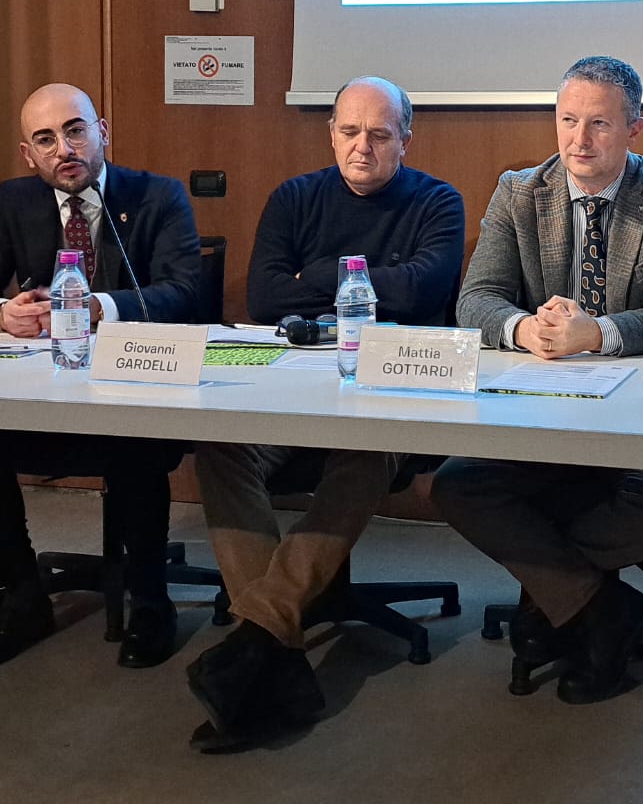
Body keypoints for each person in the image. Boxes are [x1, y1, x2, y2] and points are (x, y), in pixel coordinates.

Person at [185, 76, 464, 751]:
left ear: (406, 138)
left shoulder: (438, 202)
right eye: (349, 131)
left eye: (379, 134)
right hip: (290, 388)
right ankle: (274, 648)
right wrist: (366, 282)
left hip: (394, 395)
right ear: (330, 134)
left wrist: (314, 278)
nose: (362, 146)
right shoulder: (294, 197)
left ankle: (258, 639)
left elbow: (423, 289)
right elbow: (264, 296)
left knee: (366, 450)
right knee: (222, 446)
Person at [432, 55, 643, 705]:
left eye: (599, 124)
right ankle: (603, 610)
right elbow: (476, 301)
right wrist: (524, 329)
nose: (578, 141)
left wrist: (600, 333)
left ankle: (552, 593)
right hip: (541, 410)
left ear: (634, 129)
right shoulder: (520, 191)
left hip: (642, 414)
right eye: (566, 121)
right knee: (457, 486)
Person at [0, 82, 204, 670]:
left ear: (101, 132)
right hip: (47, 393)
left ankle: (151, 602)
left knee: (133, 436)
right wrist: (0, 314)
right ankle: (22, 596)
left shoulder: (157, 195)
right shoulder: (15, 201)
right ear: (28, 154)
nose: (64, 149)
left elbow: (185, 292)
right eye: (46, 139)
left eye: (75, 131)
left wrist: (98, 308)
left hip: (135, 390)